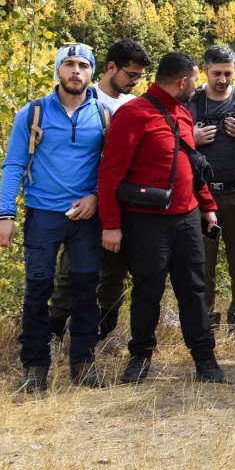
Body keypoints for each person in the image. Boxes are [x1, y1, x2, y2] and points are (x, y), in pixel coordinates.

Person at [98, 51, 223, 385]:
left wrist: (207, 205)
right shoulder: (133, 114)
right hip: (146, 221)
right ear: (182, 81)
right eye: (195, 79)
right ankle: (140, 357)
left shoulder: (182, 113)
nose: (197, 85)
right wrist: (111, 225)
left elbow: (192, 166)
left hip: (187, 218)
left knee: (193, 289)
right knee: (147, 290)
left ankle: (205, 359)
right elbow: (110, 174)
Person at [0, 43, 111, 392]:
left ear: (92, 71)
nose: (76, 71)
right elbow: (14, 164)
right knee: (38, 290)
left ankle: (83, 364)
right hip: (43, 214)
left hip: (86, 218)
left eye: (83, 65)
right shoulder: (33, 113)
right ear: (58, 69)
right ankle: (35, 367)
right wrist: (5, 214)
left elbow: (112, 168)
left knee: (86, 290)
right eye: (69, 64)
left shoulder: (104, 115)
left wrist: (96, 197)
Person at [70, 37, 151, 355]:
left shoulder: (136, 106)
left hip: (120, 204)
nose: (135, 82)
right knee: (69, 274)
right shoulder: (83, 98)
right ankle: (58, 333)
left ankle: (105, 332)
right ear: (111, 67)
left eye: (140, 77)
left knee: (114, 274)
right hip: (78, 202)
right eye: (131, 75)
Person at [190, 45, 235, 341]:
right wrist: (190, 137)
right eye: (216, 73)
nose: (222, 80)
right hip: (201, 198)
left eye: (228, 73)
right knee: (201, 263)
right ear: (205, 70)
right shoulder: (192, 101)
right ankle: (204, 325)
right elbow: (169, 139)